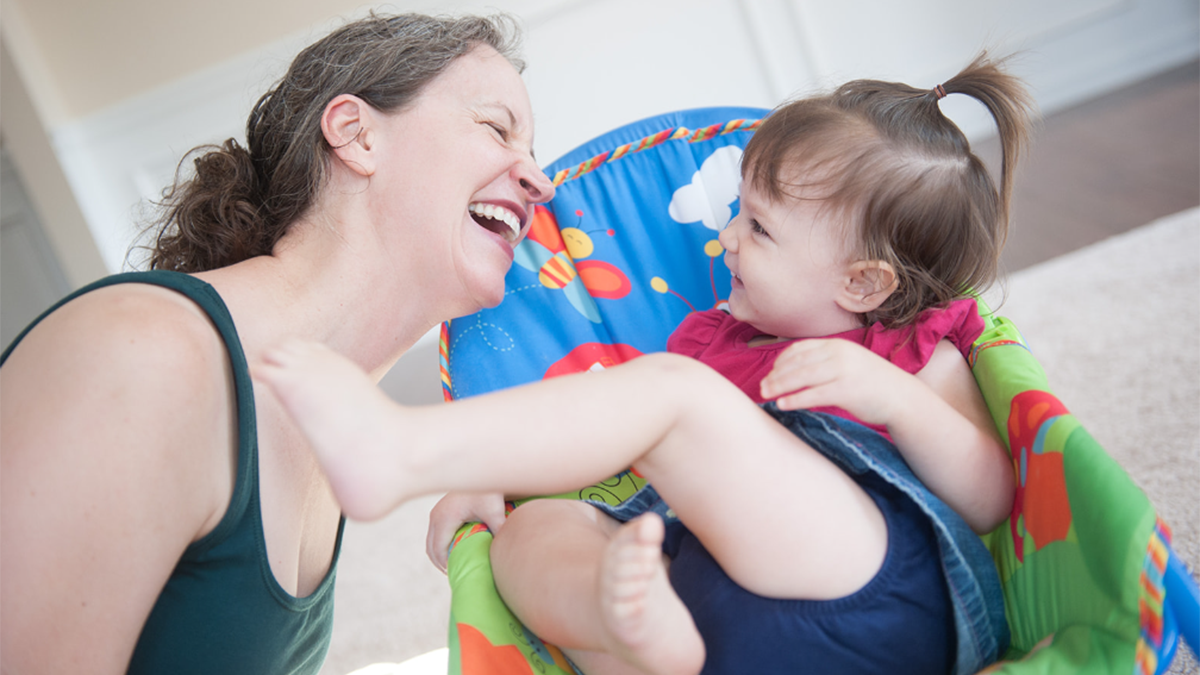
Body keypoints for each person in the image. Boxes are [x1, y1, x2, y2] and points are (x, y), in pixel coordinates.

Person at [254, 52, 1033, 675]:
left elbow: (994, 496)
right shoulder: (714, 339)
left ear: (863, 281)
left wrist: (895, 399)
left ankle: (401, 448)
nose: (726, 239)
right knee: (531, 531)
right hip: (706, 618)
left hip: (871, 605)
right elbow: (600, 438)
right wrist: (497, 474)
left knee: (675, 394)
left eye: (758, 229)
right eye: (737, 215)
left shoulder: (911, 345)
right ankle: (614, 621)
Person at [0, 12, 555, 675]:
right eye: (498, 129)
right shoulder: (145, 355)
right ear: (357, 133)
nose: (538, 181)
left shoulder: (326, 427)